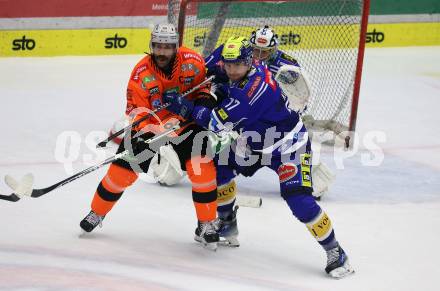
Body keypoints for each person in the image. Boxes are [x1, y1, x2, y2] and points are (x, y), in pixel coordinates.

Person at [168, 36, 354, 278]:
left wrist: (185, 106)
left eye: (237, 65)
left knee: (298, 200)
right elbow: (210, 62)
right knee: (220, 168)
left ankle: (335, 252)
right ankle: (226, 224)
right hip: (252, 142)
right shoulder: (237, 60)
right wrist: (206, 72)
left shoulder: (252, 93)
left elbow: (213, 122)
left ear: (249, 62)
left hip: (288, 148)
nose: (231, 69)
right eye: (228, 64)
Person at [79, 23, 220, 250]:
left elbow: (205, 90)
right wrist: (156, 128)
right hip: (151, 127)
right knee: (120, 173)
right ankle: (97, 212)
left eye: (167, 47)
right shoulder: (141, 74)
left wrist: (199, 106)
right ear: (151, 46)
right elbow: (135, 114)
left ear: (176, 46)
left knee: (202, 169)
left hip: (186, 124)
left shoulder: (193, 62)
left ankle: (206, 223)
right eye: (157, 46)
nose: (162, 52)